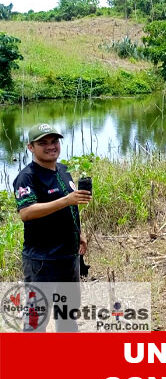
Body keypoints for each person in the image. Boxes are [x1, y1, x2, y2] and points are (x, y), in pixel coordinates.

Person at [13, 123, 91, 331]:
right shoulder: (27, 177)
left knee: (67, 316)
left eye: (54, 141)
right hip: (42, 261)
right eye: (43, 143)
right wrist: (66, 200)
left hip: (68, 257)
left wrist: (79, 233)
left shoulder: (63, 170)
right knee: (37, 321)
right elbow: (26, 212)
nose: (51, 146)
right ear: (31, 147)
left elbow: (70, 208)